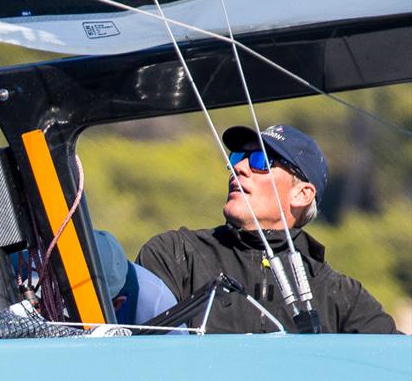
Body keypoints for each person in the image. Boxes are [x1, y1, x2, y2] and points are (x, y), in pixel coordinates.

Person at [136, 124, 398, 334]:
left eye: (260, 160)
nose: (238, 168)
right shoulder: (174, 254)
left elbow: (395, 370)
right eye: (238, 157)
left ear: (302, 194)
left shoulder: (341, 295)